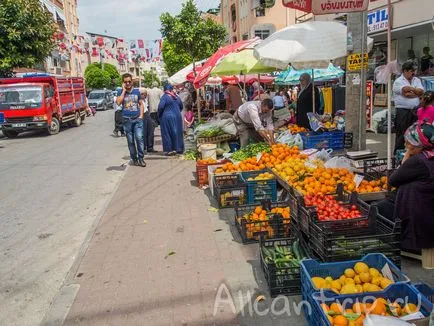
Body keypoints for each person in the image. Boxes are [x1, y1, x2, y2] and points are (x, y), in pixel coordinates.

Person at [388, 121, 434, 252]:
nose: (405, 145)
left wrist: (405, 158)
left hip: (418, 219)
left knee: (377, 208)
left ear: (420, 144)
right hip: (428, 211)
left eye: (409, 143)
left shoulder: (418, 161)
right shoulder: (429, 156)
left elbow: (393, 180)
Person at [392, 61, 425, 152]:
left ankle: (412, 152)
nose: (413, 73)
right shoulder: (398, 81)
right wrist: (415, 92)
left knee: (415, 133)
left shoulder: (416, 80)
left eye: (414, 71)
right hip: (403, 111)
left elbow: (421, 92)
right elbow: (405, 93)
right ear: (405, 71)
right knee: (401, 133)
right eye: (411, 71)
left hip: (415, 110)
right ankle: (398, 153)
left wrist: (412, 90)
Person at [116, 73, 146, 167]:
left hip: (137, 119)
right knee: (130, 141)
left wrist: (141, 115)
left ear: (132, 81)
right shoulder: (121, 92)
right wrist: (124, 91)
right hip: (126, 120)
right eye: (126, 82)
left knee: (139, 138)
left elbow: (141, 104)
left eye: (129, 81)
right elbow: (118, 102)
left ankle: (141, 158)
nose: (128, 83)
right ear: (123, 83)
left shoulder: (137, 91)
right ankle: (134, 158)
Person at [158, 84, 184, 156]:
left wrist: (159, 115)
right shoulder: (176, 97)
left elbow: (160, 107)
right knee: (177, 132)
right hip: (177, 116)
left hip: (167, 116)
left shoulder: (165, 97)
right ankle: (178, 148)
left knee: (167, 133)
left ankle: (169, 150)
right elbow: (181, 106)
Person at [139, 89, 156, 153]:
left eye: (145, 94)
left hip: (147, 114)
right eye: (143, 94)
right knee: (143, 132)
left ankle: (150, 147)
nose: (145, 96)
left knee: (150, 131)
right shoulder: (139, 100)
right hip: (142, 115)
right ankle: (143, 148)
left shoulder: (145, 100)